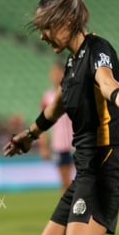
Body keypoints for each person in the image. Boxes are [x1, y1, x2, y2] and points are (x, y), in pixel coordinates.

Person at [4, 0, 119, 235]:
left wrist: (116, 93)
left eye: (46, 27)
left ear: (67, 20)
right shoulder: (71, 63)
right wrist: (30, 135)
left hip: (106, 164)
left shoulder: (97, 49)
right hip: (86, 170)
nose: (42, 35)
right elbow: (56, 107)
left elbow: (104, 78)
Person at [38, 61, 74, 192]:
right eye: (52, 73)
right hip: (58, 144)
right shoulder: (47, 96)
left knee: (82, 178)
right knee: (64, 180)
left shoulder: (72, 92)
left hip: (75, 142)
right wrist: (44, 146)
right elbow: (42, 123)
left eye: (57, 73)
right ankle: (69, 209)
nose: (54, 76)